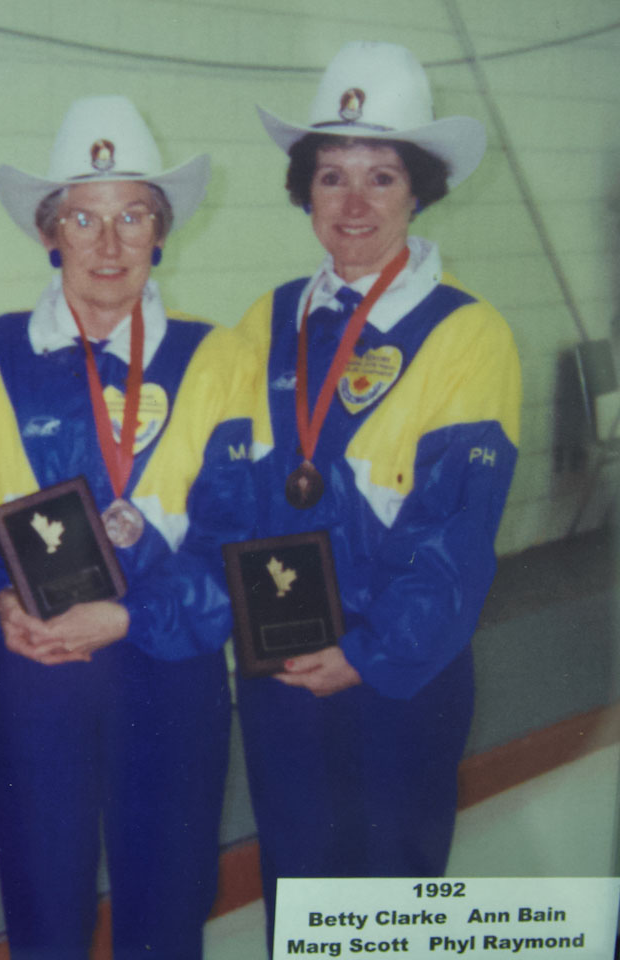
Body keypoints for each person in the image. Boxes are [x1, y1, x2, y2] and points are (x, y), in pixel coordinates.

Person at [0, 95, 256, 960]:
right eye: (85, 218)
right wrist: (0, 602)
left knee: (167, 911)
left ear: (162, 233)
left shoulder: (220, 357)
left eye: (134, 217)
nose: (111, 244)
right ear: (50, 232)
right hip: (36, 670)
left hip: (168, 675)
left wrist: (128, 615)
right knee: (45, 916)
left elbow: (234, 540)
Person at [236, 41, 521, 947]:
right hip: (283, 668)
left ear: (419, 189)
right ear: (305, 191)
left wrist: (364, 653)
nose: (354, 204)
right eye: (331, 177)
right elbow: (222, 489)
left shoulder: (470, 335)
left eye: (382, 176)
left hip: (398, 676)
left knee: (387, 916)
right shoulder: (266, 319)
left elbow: (456, 541)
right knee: (301, 905)